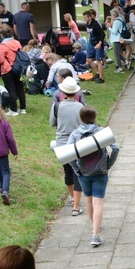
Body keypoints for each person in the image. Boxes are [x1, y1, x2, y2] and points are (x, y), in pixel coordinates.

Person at [67, 106, 119, 248]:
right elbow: (115, 148)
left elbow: (68, 153)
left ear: (81, 118)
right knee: (98, 202)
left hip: (83, 172)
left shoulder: (75, 134)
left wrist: (76, 169)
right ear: (95, 117)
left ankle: (94, 227)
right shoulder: (102, 132)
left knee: (88, 200)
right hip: (100, 171)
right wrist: (108, 164)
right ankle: (95, 235)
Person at [51, 77, 85, 216]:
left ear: (63, 92)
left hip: (61, 144)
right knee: (78, 173)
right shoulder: (80, 107)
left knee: (67, 171)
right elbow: (83, 126)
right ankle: (76, 206)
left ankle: (71, 197)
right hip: (77, 144)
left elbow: (52, 123)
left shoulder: (57, 106)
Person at [0, 25, 27, 115]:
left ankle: (13, 110)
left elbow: (1, 60)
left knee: (11, 89)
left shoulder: (2, 45)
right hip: (18, 68)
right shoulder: (17, 42)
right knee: (20, 88)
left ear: (1, 35)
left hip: (8, 69)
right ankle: (22, 108)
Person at [82, 11, 105, 84]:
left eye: (85, 18)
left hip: (98, 44)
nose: (84, 19)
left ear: (90, 17)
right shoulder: (87, 24)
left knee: (98, 61)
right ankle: (97, 72)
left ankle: (101, 78)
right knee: (88, 59)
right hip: (91, 43)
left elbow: (102, 34)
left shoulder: (95, 24)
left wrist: (100, 43)